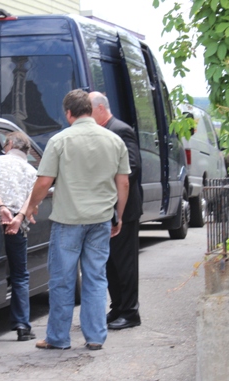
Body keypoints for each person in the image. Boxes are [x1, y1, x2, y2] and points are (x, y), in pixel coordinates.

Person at [25, 89, 131, 350]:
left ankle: (59, 338)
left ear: (68, 113)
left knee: (62, 280)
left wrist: (31, 205)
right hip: (101, 219)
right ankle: (95, 337)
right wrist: (119, 216)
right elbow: (124, 182)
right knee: (96, 278)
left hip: (68, 220)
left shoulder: (60, 140)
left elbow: (44, 181)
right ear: (91, 110)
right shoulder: (114, 140)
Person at [89, 91, 143, 330]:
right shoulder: (102, 130)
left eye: (88, 111)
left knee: (125, 263)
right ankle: (118, 307)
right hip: (107, 209)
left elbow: (132, 166)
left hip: (125, 209)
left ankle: (130, 313)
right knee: (110, 263)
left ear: (100, 108)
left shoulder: (120, 130)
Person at [0, 131, 37, 342]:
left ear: (11, 144)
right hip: (17, 225)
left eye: (5, 143)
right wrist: (18, 217)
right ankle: (22, 326)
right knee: (20, 274)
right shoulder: (31, 170)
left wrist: (1, 207)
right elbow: (33, 198)